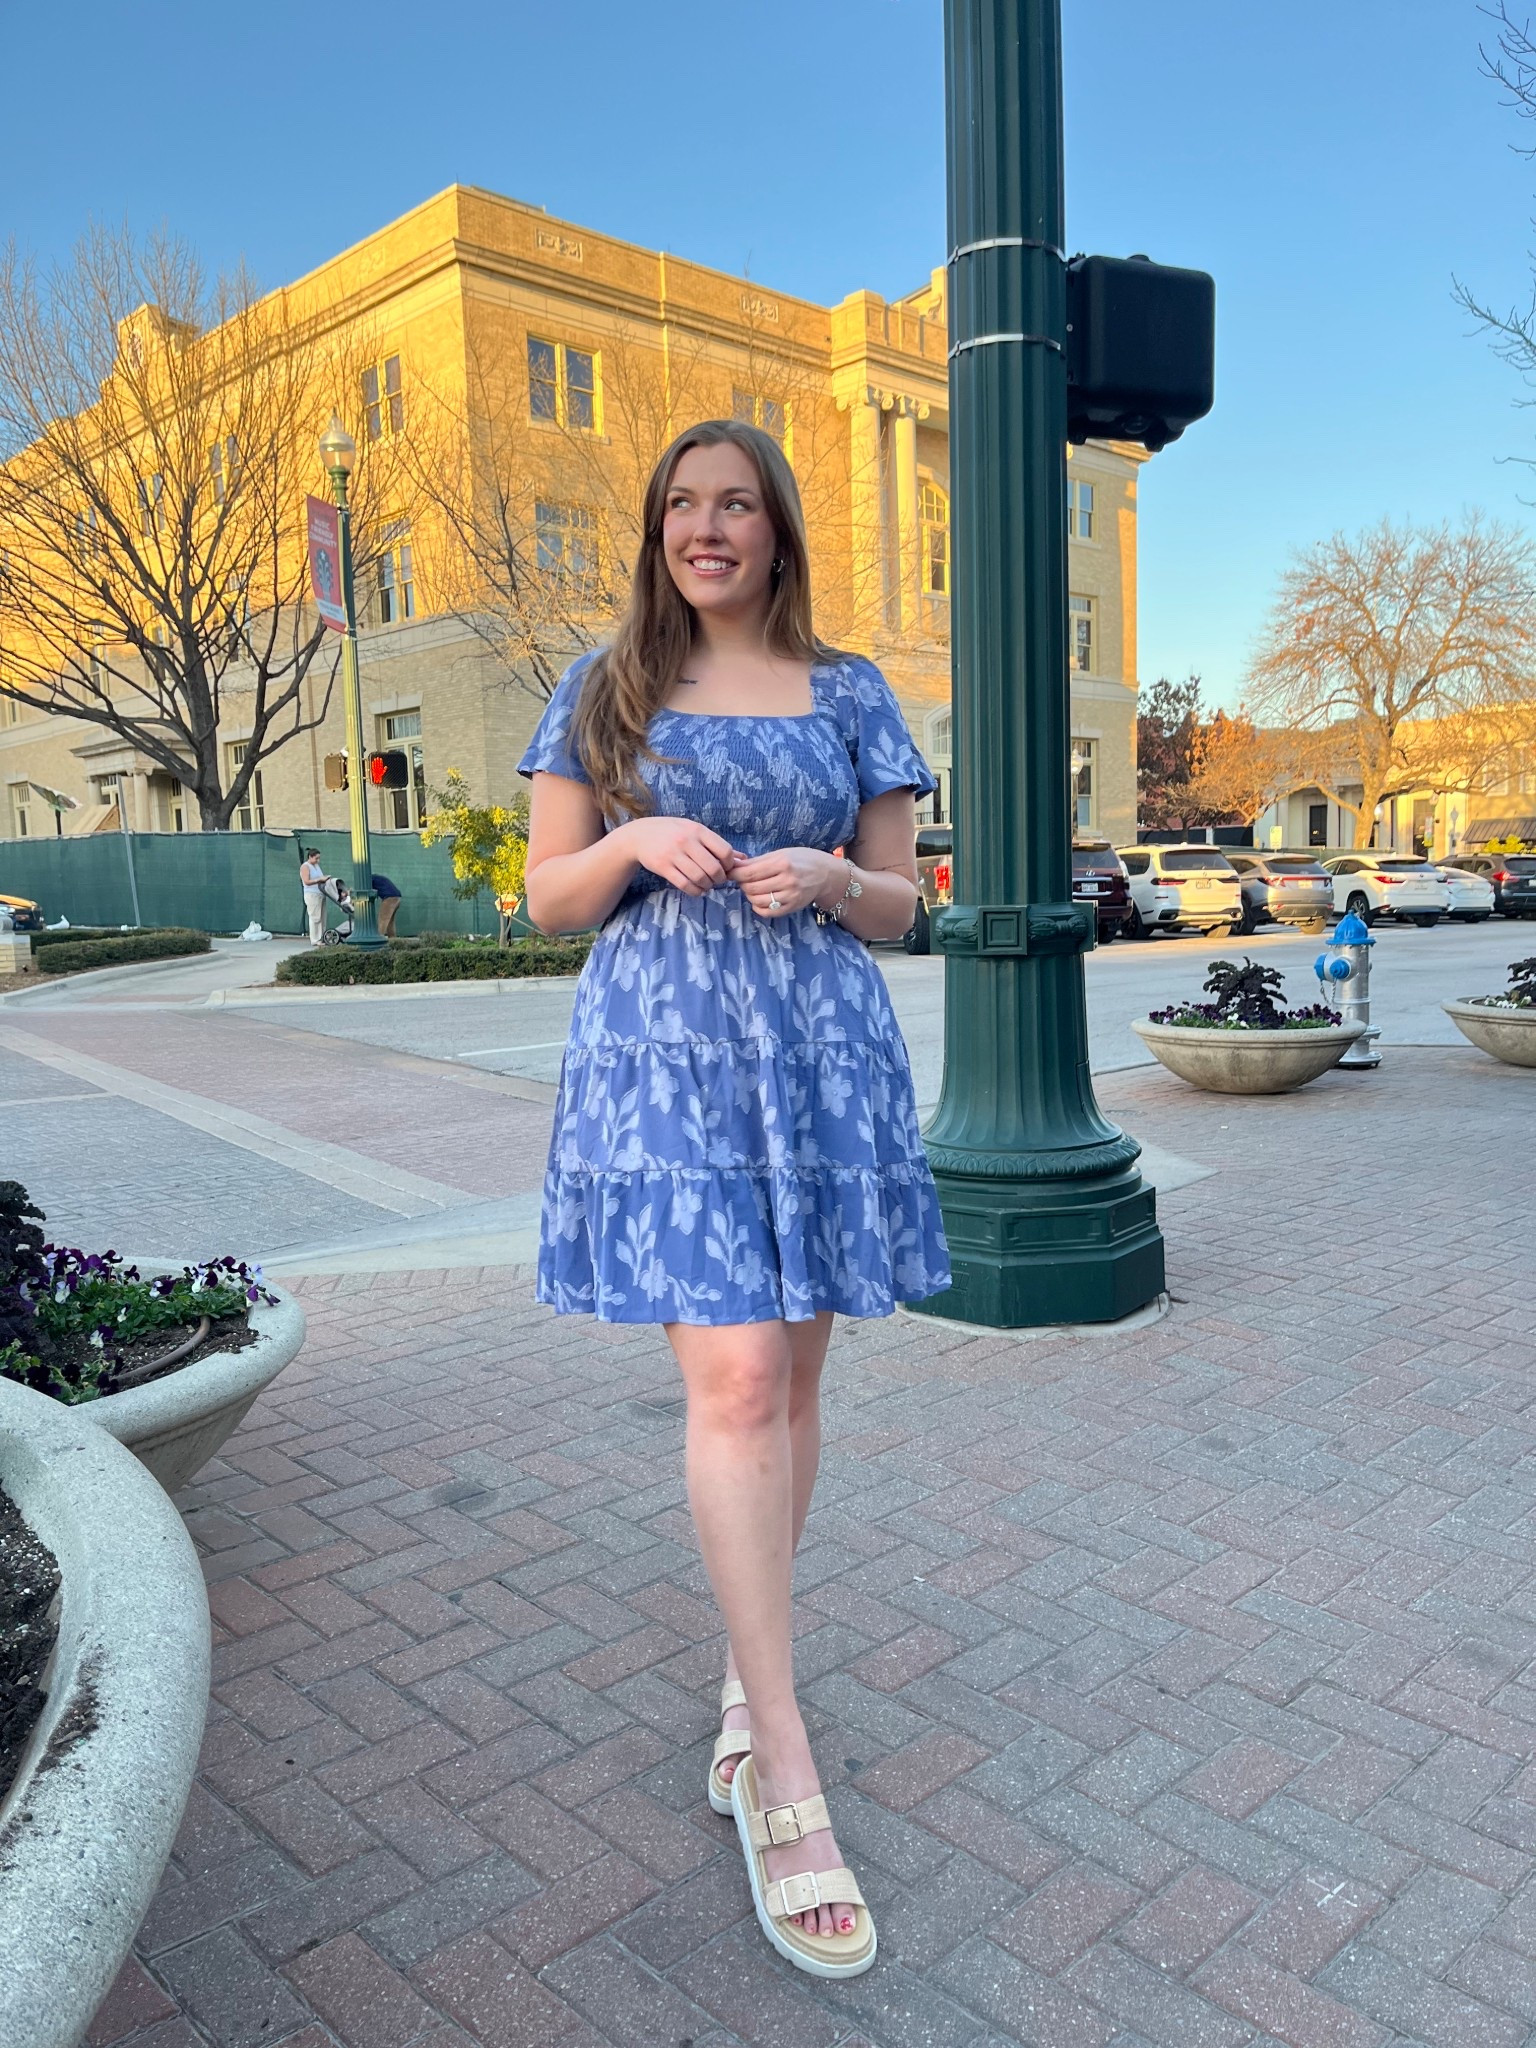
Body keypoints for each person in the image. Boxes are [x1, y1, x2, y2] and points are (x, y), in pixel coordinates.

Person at [518, 419, 950, 1980]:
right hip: (669, 1059)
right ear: (657, 532)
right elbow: (549, 895)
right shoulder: (607, 686)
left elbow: (907, 906)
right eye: (682, 506)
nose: (709, 528)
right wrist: (632, 836)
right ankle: (784, 1766)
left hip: (820, 1052)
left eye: (738, 504)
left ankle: (738, 1686)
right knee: (742, 1374)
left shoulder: (850, 691)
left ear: (777, 531)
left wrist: (836, 881)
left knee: (800, 1379)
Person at [299, 848, 328, 945]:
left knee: (322, 917)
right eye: (316, 858)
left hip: (321, 893)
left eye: (319, 858)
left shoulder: (316, 866)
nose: (318, 861)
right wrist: (319, 879)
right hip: (312, 895)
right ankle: (315, 940)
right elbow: (306, 881)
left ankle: (322, 937)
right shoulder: (305, 866)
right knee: (315, 917)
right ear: (310, 857)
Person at [371, 872, 402, 939]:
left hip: (390, 898)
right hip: (397, 898)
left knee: (382, 920)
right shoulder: (376, 878)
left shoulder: (369, 879)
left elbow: (365, 891)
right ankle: (393, 940)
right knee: (390, 921)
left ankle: (378, 940)